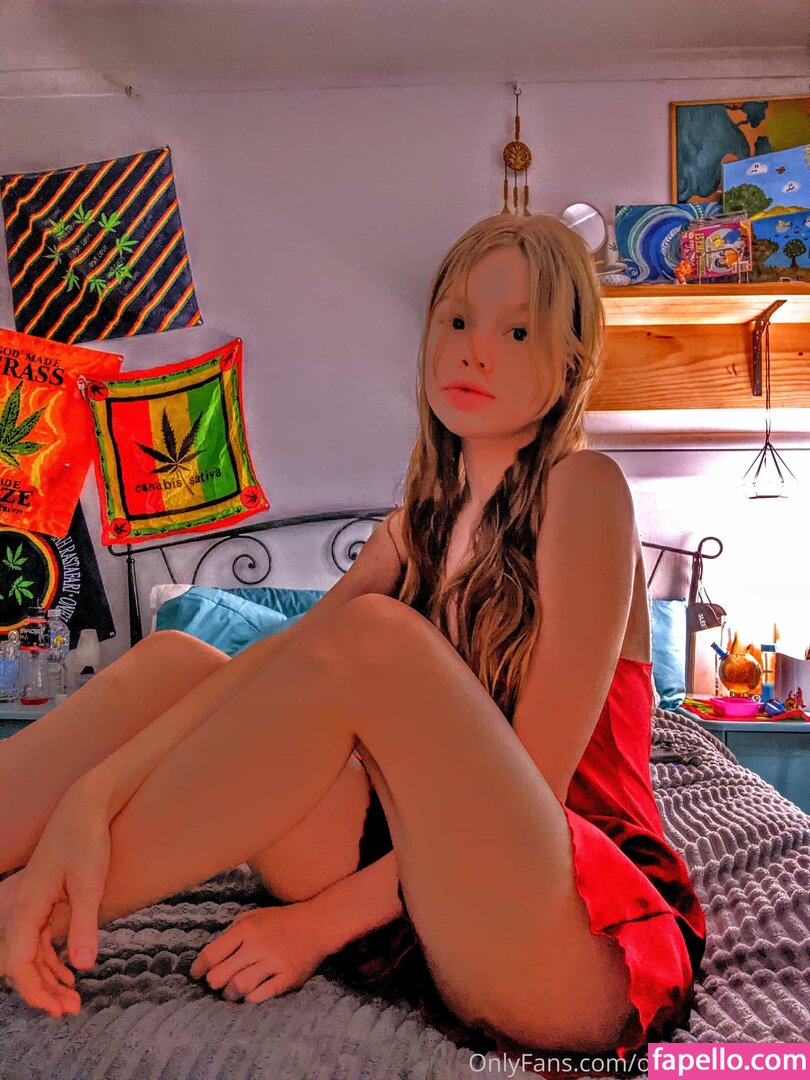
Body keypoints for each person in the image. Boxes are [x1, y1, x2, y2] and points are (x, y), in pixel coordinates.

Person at [0, 212, 706, 1068]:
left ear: (569, 365)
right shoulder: (410, 531)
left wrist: (313, 926)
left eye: (517, 331)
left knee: (372, 634)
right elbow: (273, 665)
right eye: (457, 320)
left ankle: (32, 915)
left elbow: (540, 786)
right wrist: (92, 795)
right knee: (181, 660)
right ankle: (36, 872)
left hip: (567, 919)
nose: (475, 351)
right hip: (411, 888)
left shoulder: (586, 491)